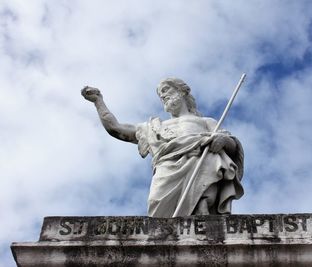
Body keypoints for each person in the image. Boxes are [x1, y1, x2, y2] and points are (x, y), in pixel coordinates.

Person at [81, 78, 244, 217]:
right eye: (161, 95)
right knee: (156, 202)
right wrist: (98, 101)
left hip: (201, 162)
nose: (163, 96)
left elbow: (231, 144)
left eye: (166, 90)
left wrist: (222, 140)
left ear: (182, 92)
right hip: (167, 168)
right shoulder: (154, 127)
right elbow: (116, 128)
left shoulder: (206, 122)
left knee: (209, 178)